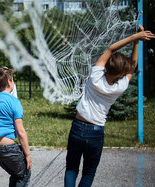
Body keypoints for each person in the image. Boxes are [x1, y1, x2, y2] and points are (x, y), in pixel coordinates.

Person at [64, 25, 155, 187]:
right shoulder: (119, 87)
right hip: (96, 132)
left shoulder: (95, 76)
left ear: (106, 65)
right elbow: (133, 66)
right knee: (88, 173)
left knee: (71, 169)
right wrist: (137, 42)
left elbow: (110, 48)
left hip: (78, 126)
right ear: (120, 74)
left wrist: (134, 37)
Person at [0, 66, 32, 186]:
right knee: (24, 173)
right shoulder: (14, 101)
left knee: (16, 173)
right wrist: (27, 155)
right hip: (6, 146)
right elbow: (21, 131)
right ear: (9, 82)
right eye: (12, 80)